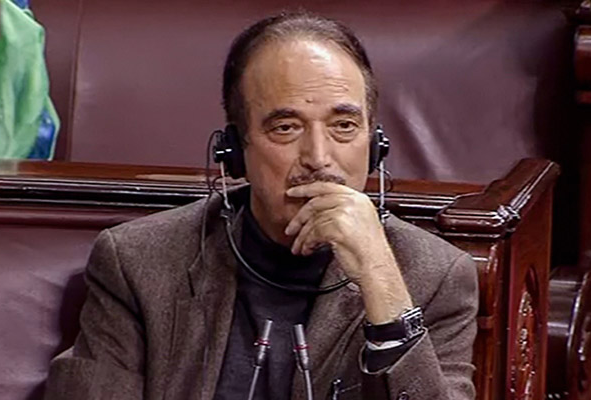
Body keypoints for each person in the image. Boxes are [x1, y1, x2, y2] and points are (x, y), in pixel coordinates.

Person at [44, 12, 478, 400]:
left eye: (344, 126)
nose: (319, 157)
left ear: (375, 145)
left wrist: (381, 282)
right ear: (235, 151)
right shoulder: (138, 263)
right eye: (286, 127)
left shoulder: (434, 277)